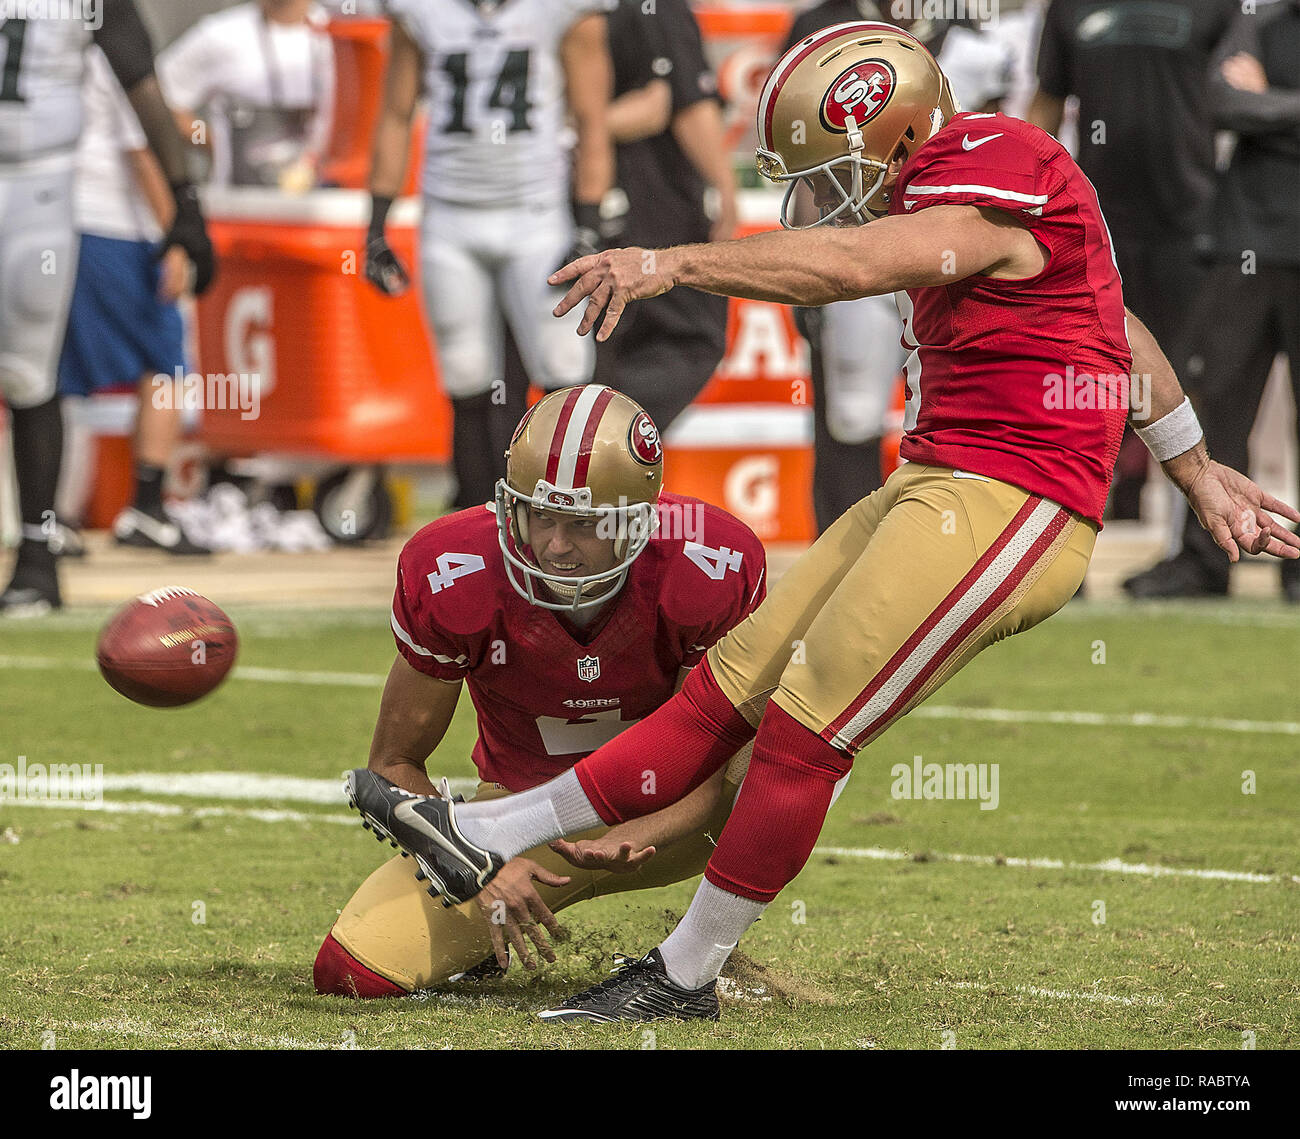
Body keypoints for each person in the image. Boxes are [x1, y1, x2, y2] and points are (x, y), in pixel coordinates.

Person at [342, 21, 1300, 1024]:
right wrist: (1193, 466)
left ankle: (682, 973)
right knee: (725, 690)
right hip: (937, 481)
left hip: (1014, 499)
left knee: (806, 726)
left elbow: (849, 264)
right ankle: (487, 826)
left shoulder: (992, 162)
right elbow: (1116, 328)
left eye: (831, 167)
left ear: (893, 137)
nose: (825, 192)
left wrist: (671, 264)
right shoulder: (987, 180)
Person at [318, 386, 770, 995]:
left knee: (788, 744)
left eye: (583, 524)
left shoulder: (705, 563)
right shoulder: (455, 567)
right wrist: (477, 867)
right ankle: (480, 940)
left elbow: (714, 759)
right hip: (525, 815)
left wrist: (644, 832)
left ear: (636, 519)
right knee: (354, 973)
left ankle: (694, 963)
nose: (556, 546)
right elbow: (394, 763)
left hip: (684, 817)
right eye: (540, 516)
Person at [0, 0, 215, 615]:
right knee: (36, 377)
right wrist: (185, 203)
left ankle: (38, 553)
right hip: (58, 199)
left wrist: (184, 205)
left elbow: (141, 88)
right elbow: (145, 99)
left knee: (29, 376)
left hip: (41, 186)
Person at [363, 0, 614, 511]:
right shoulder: (424, 13)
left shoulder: (561, 12)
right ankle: (475, 518)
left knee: (564, 365)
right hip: (450, 214)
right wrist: (375, 223)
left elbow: (592, 119)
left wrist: (589, 220)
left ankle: (567, 514)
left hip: (536, 213)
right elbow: (395, 113)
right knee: (464, 373)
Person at [779, 7, 1016, 533]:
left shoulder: (978, 49)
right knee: (851, 417)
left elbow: (1006, 152)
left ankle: (982, 544)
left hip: (954, 270)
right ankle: (847, 550)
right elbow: (805, 167)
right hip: (863, 250)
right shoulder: (826, 32)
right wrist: (810, 255)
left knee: (969, 413)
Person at [1029, 0, 1240, 522]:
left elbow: (1240, 93)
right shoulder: (1068, 7)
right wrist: (1027, 198)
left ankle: (1197, 550)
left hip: (1192, 224)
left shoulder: (1220, 4)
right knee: (1079, 386)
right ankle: (1061, 541)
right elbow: (1046, 105)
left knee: (1195, 384)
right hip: (1092, 225)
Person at [1122, 0, 1300, 602]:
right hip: (1242, 248)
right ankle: (1207, 557)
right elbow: (1220, 103)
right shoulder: (1260, 19)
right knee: (1216, 406)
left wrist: (1269, 105)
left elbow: (1246, 107)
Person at [57, 47, 208, 556]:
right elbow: (140, 146)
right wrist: (177, 232)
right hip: (114, 225)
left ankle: (55, 515)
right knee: (165, 362)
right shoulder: (108, 53)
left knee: (62, 375)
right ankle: (142, 507)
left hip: (64, 217)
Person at [590, 0, 736, 436]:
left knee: (601, 348)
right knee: (687, 338)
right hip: (652, 202)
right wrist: (725, 188)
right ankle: (602, 457)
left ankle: (590, 466)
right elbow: (671, 103)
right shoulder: (655, 9)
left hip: (584, 203)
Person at [157, 0, 336, 191]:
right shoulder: (221, 34)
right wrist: (210, 143)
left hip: (322, 204)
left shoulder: (340, 33)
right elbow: (161, 101)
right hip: (236, 206)